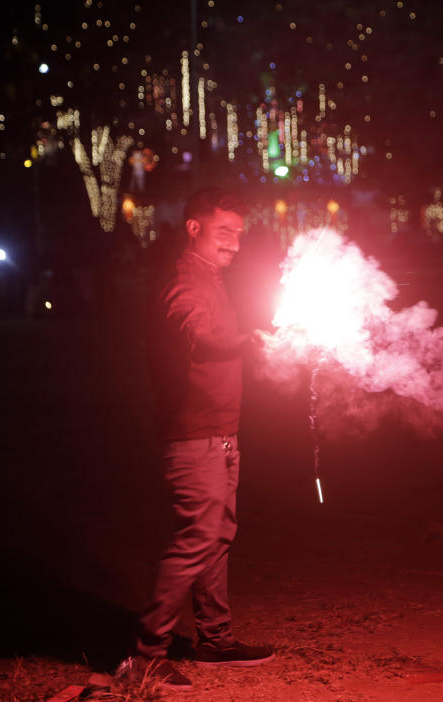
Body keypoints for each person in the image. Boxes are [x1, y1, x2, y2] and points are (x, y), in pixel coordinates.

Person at [117, 187, 273, 690]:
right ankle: (146, 655)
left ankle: (214, 639)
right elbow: (198, 335)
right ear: (194, 228)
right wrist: (245, 339)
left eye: (238, 234)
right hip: (193, 435)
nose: (234, 243)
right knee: (196, 538)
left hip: (221, 432)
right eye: (223, 231)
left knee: (217, 536)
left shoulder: (211, 277)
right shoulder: (185, 279)